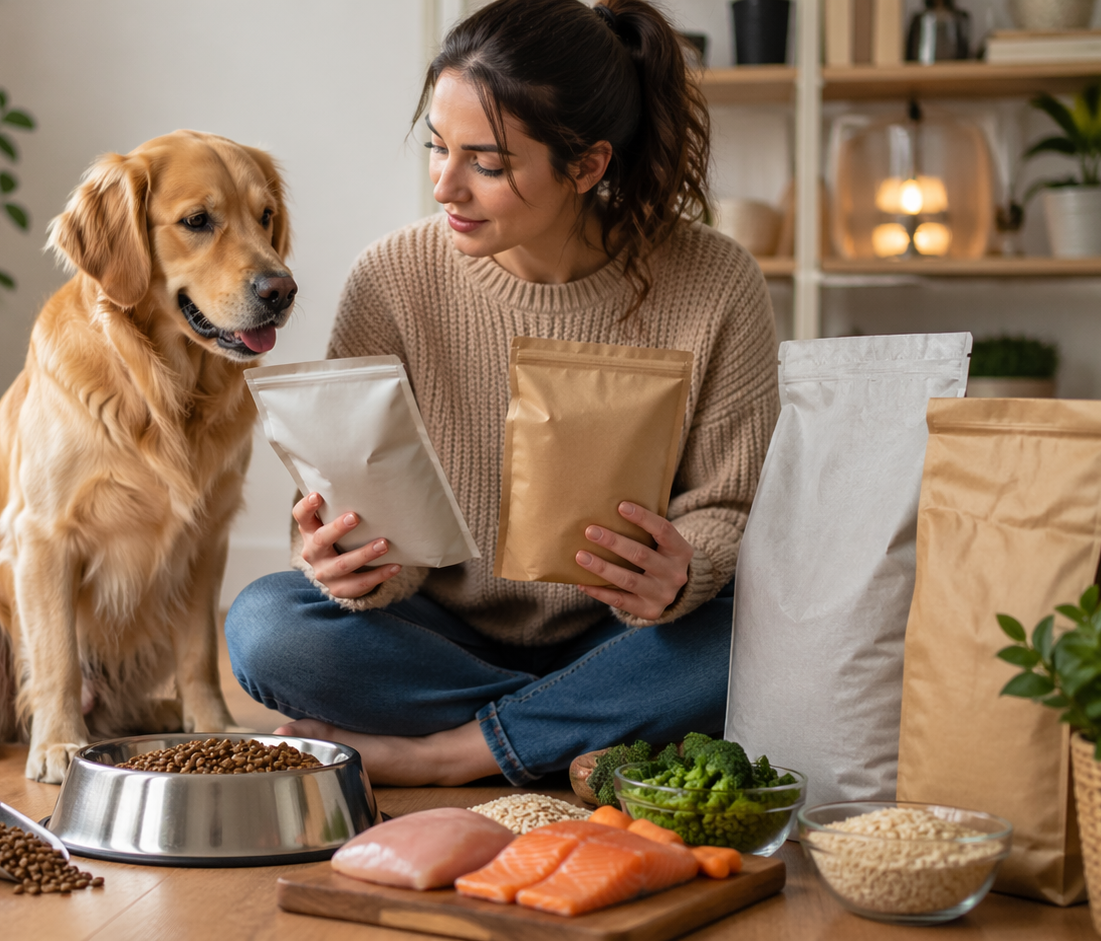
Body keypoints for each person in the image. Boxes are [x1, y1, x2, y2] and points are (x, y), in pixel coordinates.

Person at [224, 0, 777, 787]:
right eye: (435, 147)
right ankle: (576, 730)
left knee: (745, 639)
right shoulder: (392, 278)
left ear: (586, 166)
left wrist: (683, 576)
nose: (446, 185)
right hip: (436, 634)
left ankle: (449, 753)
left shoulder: (717, 283)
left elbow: (731, 504)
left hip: (621, 636)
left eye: (486, 163)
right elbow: (351, 495)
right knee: (266, 625)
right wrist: (344, 562)